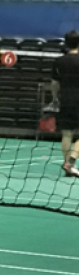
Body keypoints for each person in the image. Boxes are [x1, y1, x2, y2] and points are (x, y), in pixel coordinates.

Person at [52, 29, 79, 178]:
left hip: (66, 100)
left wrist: (55, 98)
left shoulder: (59, 61)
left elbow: (54, 84)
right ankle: (71, 162)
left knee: (67, 134)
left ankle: (67, 164)